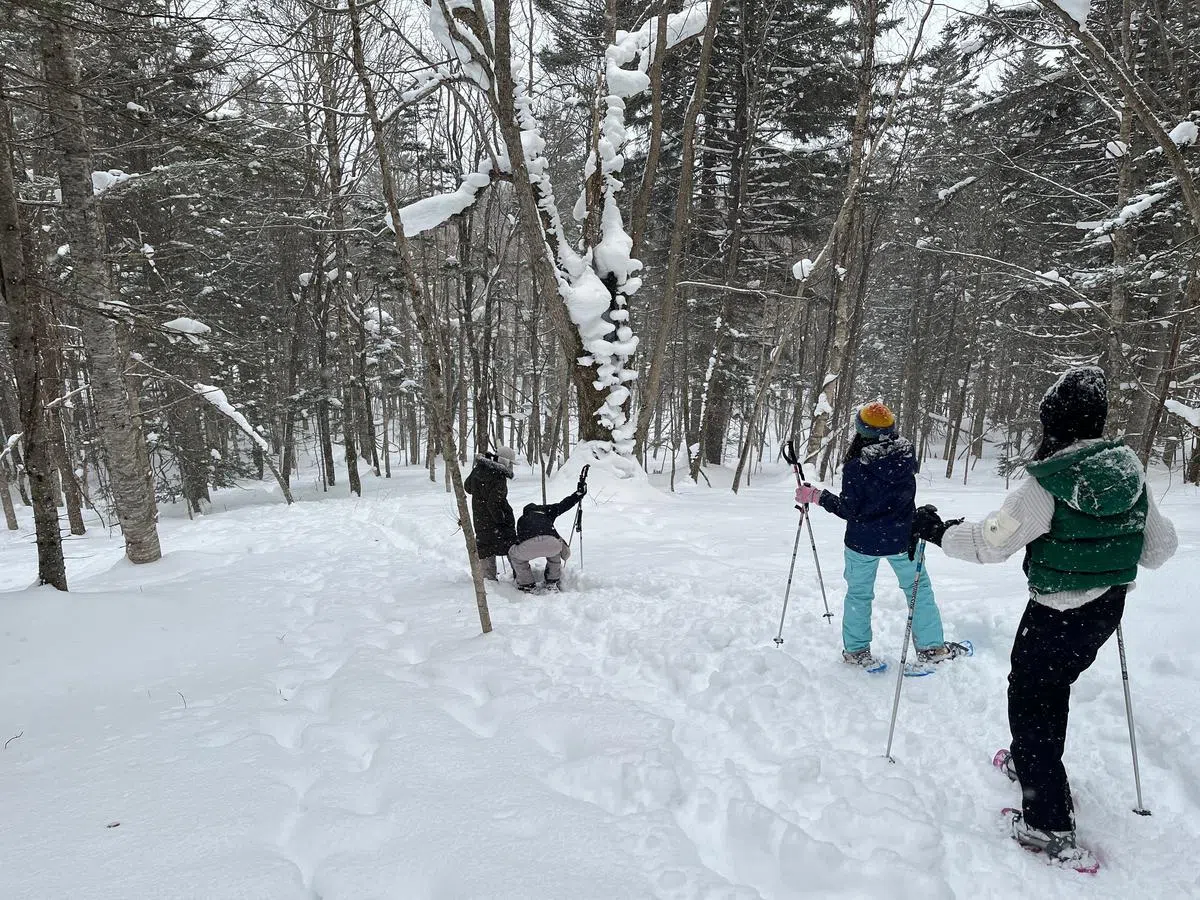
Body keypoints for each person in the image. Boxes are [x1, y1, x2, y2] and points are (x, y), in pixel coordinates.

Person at [912, 366, 1177, 871]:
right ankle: (1035, 765)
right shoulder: (1127, 472)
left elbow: (992, 544)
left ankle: (1047, 821)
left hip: (1057, 612)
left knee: (1032, 695)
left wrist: (936, 530)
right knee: (1053, 687)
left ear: (1053, 421)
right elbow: (1160, 549)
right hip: (1107, 608)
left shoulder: (1048, 484)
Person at [797, 401, 967, 673]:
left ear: (860, 430)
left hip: (863, 543)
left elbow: (850, 510)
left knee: (859, 595)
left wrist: (818, 497)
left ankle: (856, 651)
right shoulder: (906, 455)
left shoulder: (856, 467)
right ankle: (931, 648)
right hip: (902, 540)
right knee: (918, 591)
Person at [507, 484, 585, 592]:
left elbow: (519, 540)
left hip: (528, 545)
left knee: (515, 556)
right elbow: (564, 505)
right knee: (554, 552)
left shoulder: (522, 519)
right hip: (551, 542)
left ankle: (526, 584)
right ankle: (552, 581)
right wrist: (578, 495)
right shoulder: (547, 511)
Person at [464, 446, 517, 580]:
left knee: (485, 547)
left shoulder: (479, 469)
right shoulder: (498, 476)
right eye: (511, 463)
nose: (511, 466)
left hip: (480, 519)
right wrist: (502, 520)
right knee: (511, 546)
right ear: (505, 461)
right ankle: (521, 575)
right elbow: (494, 504)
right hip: (496, 523)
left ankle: (488, 579)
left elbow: (467, 487)